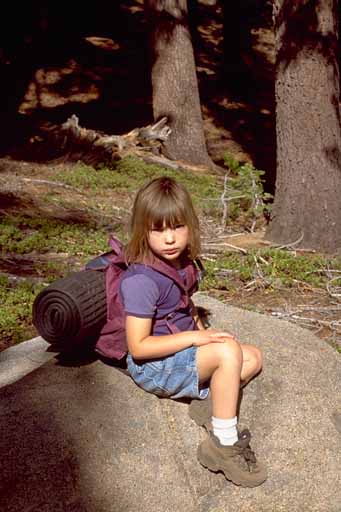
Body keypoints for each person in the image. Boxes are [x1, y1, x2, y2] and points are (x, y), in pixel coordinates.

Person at [120, 176, 267, 487]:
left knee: (251, 357)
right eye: (158, 229)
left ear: (190, 226)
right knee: (229, 354)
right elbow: (138, 347)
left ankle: (210, 405)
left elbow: (185, 307)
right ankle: (222, 445)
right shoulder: (141, 281)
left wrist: (204, 332)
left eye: (177, 227)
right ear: (142, 230)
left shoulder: (182, 264)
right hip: (153, 365)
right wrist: (197, 338)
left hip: (178, 355)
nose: (170, 238)